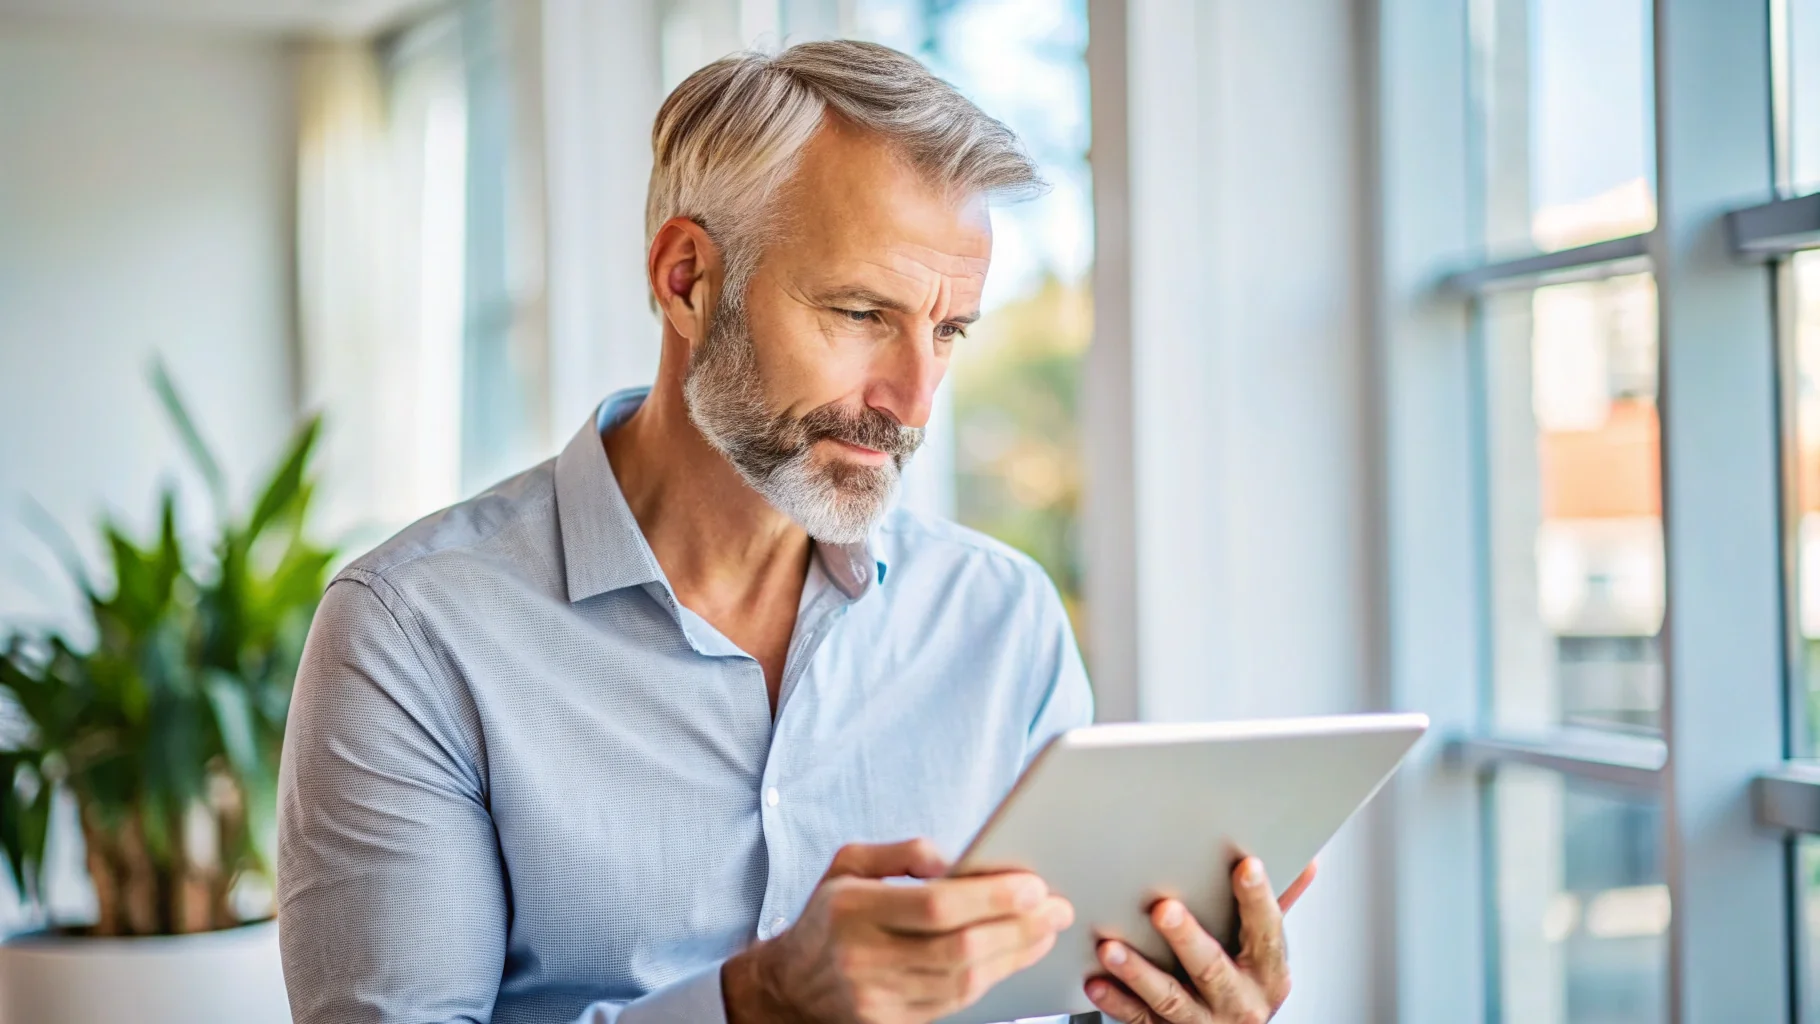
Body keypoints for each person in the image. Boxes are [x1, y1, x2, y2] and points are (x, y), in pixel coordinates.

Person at [276, 39, 1312, 1024]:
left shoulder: (1002, 620)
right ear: (686, 280)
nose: (911, 400)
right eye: (861, 313)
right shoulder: (412, 634)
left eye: (946, 331)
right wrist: (757, 1004)